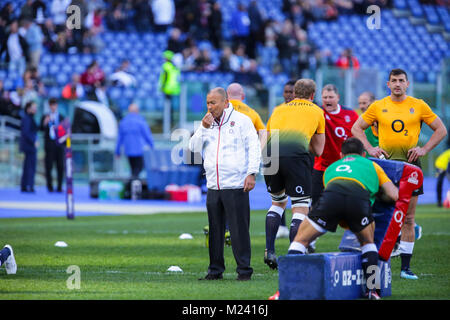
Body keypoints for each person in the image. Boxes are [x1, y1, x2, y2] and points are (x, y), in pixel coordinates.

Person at [352, 68, 447, 280]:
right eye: (393, 80)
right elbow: (356, 128)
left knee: (408, 218)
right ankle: (373, 262)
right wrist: (369, 148)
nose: (397, 84)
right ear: (388, 84)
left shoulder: (418, 105)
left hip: (411, 167)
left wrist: (424, 149)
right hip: (384, 167)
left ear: (407, 84)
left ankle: (405, 269)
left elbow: (441, 130)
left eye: (401, 80)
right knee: (376, 215)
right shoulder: (378, 106)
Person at [287, 137, 399, 300]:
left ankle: (289, 287)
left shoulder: (331, 168)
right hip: (359, 198)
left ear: (341, 155)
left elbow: (335, 199)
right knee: (368, 243)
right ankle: (372, 291)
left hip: (331, 195)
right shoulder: (372, 165)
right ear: (363, 154)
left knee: (300, 240)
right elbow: (394, 194)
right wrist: (379, 195)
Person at [189, 87, 261, 281]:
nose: (209, 107)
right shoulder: (207, 122)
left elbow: (254, 148)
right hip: (213, 184)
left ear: (225, 102)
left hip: (236, 184)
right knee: (215, 230)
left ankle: (244, 271)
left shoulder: (242, 121)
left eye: (213, 103)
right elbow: (192, 150)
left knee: (239, 230)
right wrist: (202, 129)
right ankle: (215, 270)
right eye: (208, 103)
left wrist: (251, 173)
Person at [262, 78, 325, 269]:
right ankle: (293, 254)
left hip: (270, 155)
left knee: (277, 203)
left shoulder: (279, 109)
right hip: (296, 157)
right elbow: (319, 150)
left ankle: (269, 250)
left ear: (295, 93)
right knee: (300, 208)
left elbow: (266, 137)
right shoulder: (317, 111)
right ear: (313, 95)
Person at [312, 84, 358, 207]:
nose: (327, 100)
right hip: (322, 167)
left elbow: (358, 137)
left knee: (346, 205)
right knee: (316, 205)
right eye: (325, 97)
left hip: (344, 167)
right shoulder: (318, 113)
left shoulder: (351, 115)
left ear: (338, 97)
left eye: (330, 97)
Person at [274, 79, 296, 239]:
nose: (288, 95)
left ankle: (300, 228)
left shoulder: (304, 110)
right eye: (286, 91)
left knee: (298, 195)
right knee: (278, 194)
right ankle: (281, 226)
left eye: (291, 92)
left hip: (297, 156)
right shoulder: (278, 110)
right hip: (279, 155)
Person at [115, 103, 154, 179]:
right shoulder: (141, 122)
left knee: (133, 170)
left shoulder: (123, 122)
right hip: (139, 151)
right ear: (137, 111)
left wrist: (117, 151)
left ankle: (132, 184)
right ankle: (133, 185)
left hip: (128, 151)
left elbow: (119, 139)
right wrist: (152, 147)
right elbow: (147, 136)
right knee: (138, 170)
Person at [40, 98, 65, 193]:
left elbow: (64, 132)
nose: (53, 107)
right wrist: (44, 123)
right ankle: (49, 186)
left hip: (59, 145)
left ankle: (59, 186)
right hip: (49, 145)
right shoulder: (45, 117)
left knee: (60, 166)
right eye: (51, 105)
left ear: (56, 106)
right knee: (49, 166)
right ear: (49, 106)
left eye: (54, 105)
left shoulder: (61, 117)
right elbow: (41, 129)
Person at [159, 50, 180, 133]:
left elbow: (164, 78)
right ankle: (171, 124)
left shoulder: (166, 66)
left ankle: (167, 125)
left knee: (167, 108)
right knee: (172, 109)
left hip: (167, 89)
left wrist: (162, 87)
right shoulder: (175, 66)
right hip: (175, 89)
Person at [20, 101, 38, 193]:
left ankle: (25, 185)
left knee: (28, 166)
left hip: (28, 146)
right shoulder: (27, 119)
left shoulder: (30, 118)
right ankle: (29, 186)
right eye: (33, 107)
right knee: (30, 166)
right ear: (28, 109)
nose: (35, 109)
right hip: (29, 146)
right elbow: (26, 133)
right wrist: (34, 141)